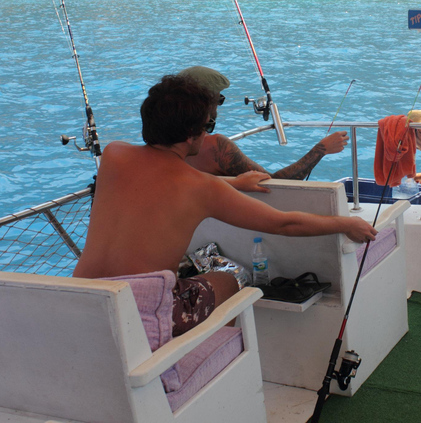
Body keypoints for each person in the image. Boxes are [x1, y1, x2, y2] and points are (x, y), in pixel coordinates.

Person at [73, 73, 377, 337]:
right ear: (192, 134)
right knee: (229, 282)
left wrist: (233, 183)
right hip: (140, 312)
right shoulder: (200, 188)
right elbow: (284, 223)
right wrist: (345, 223)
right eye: (207, 125)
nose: (208, 132)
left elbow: (158, 184)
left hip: (84, 297)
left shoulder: (113, 156)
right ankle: (215, 358)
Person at [179, 66, 349, 180]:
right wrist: (321, 149)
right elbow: (275, 184)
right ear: (205, 104)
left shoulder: (160, 149)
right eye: (219, 99)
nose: (219, 105)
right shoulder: (216, 148)